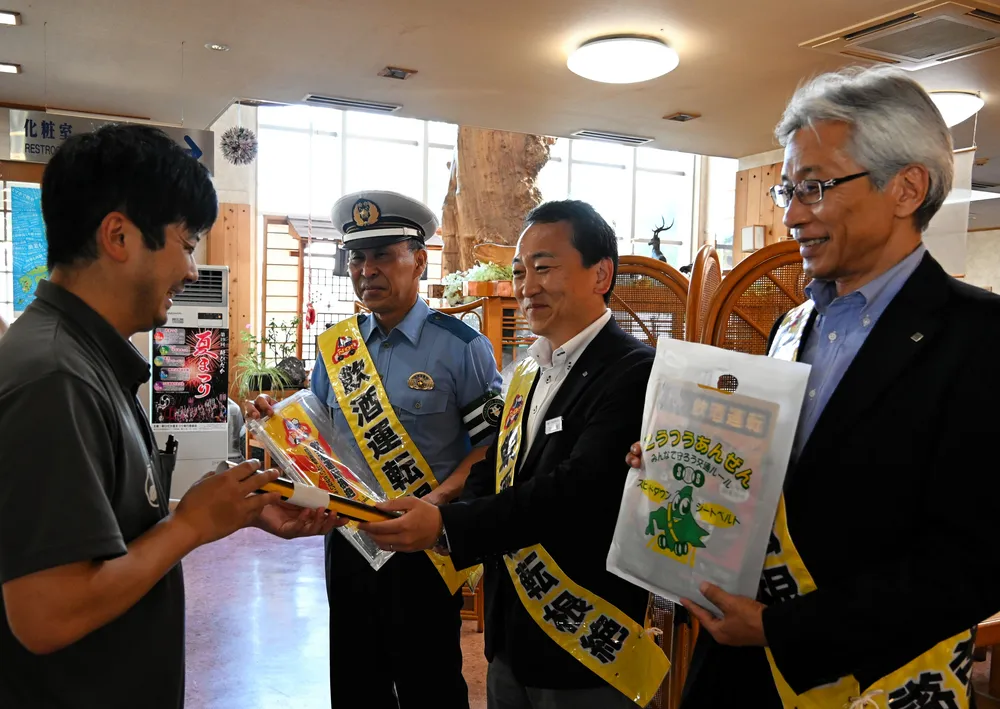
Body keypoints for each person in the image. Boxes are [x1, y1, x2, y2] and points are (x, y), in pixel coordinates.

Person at [625, 66, 1000, 708]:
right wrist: (683, 455)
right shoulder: (792, 323)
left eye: (816, 188)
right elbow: (771, 481)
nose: (793, 216)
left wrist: (783, 628)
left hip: (868, 677)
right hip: (732, 660)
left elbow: (972, 562)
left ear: (907, 188)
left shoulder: (981, 337)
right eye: (786, 192)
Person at [0, 124, 338, 709]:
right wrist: (190, 527)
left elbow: (95, 525)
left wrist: (229, 511)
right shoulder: (57, 377)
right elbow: (47, 614)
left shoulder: (82, 358)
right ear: (118, 235)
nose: (190, 271)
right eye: (185, 244)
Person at [359, 200, 670, 709]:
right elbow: (496, 465)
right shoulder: (527, 368)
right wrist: (442, 515)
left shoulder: (634, 370)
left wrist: (445, 528)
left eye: (545, 268)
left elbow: (575, 490)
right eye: (520, 271)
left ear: (601, 274)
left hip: (583, 643)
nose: (527, 287)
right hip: (512, 636)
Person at [248, 190, 504, 709]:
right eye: (357, 257)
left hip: (424, 545)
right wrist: (277, 422)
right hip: (347, 540)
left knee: (428, 683)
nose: (366, 270)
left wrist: (435, 503)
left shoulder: (462, 347)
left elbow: (491, 449)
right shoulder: (336, 347)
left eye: (383, 254)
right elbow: (316, 436)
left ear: (420, 260)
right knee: (354, 680)